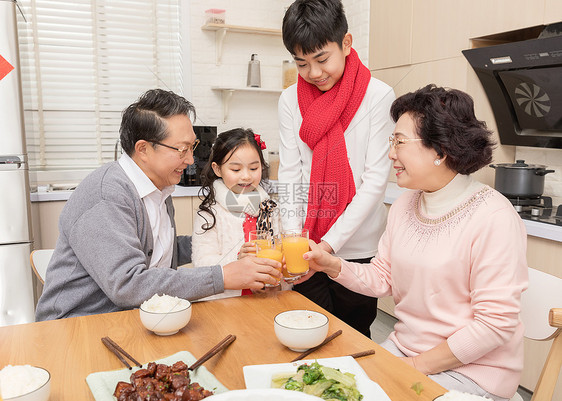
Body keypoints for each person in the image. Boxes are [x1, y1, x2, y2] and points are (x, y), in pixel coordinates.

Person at [302, 84, 528, 400]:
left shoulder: (493, 216)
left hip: (474, 374)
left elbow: (494, 325)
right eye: (391, 141)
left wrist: (413, 365)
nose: (391, 152)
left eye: (400, 142)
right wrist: (331, 265)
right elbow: (383, 278)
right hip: (407, 352)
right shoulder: (405, 205)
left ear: (440, 150)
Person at [35, 89, 281, 321]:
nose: (190, 160)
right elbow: (128, 285)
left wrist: (221, 241)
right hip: (82, 325)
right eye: (182, 150)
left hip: (141, 316)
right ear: (143, 149)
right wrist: (224, 275)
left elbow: (159, 250)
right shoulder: (107, 195)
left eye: (192, 147)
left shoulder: (159, 186)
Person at [277, 0, 396, 337]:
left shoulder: (378, 96)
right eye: (302, 63)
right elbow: (290, 174)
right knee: (305, 330)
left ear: (346, 43)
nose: (314, 73)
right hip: (306, 245)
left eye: (322, 59)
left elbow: (374, 181)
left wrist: (327, 247)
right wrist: (295, 241)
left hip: (357, 249)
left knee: (354, 335)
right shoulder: (289, 100)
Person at [192, 128, 285, 299]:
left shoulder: (270, 208)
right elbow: (201, 266)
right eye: (236, 170)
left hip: (267, 298)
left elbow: (280, 251)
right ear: (217, 169)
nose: (246, 176)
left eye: (254, 168)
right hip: (226, 302)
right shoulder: (209, 213)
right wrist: (237, 261)